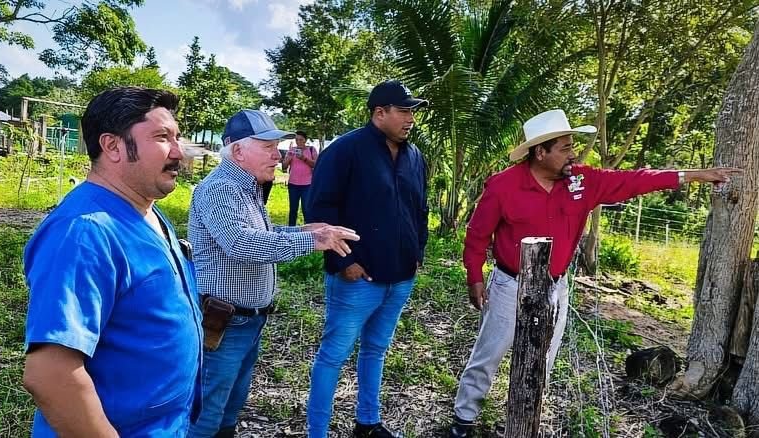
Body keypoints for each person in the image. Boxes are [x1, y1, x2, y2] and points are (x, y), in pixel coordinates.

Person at [449, 109, 742, 438]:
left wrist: (694, 175)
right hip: (509, 284)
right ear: (540, 152)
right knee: (489, 353)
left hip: (554, 288)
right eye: (564, 147)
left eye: (572, 146)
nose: (571, 154)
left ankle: (522, 418)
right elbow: (477, 236)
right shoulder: (504, 186)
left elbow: (634, 181)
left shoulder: (581, 181)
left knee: (543, 359)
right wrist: (474, 276)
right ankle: (464, 419)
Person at [22, 87, 203, 436]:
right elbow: (50, 374)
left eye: (177, 137)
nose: (179, 152)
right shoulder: (84, 233)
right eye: (163, 137)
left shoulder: (148, 211)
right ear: (113, 146)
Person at [187, 109, 360, 438]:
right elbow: (241, 244)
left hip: (245, 321)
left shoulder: (245, 188)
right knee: (206, 415)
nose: (277, 154)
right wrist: (312, 240)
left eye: (276, 145)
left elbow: (261, 232)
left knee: (229, 408)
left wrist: (303, 230)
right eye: (267, 146)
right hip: (225, 323)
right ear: (238, 151)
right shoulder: (220, 189)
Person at [305, 79, 430, 438]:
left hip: (401, 275)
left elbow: (418, 209)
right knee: (333, 355)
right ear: (380, 113)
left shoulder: (414, 156)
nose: (410, 119)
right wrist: (345, 263)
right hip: (357, 278)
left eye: (412, 112)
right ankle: (318, 432)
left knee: (376, 349)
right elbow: (320, 208)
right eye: (404, 111)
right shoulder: (346, 151)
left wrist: (417, 252)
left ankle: (368, 423)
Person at [282, 130, 317, 225]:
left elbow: (316, 164)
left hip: (307, 184)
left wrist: (303, 158)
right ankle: (291, 230)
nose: (298, 142)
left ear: (305, 140)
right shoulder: (291, 150)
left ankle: (308, 229)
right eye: (297, 140)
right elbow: (284, 167)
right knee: (293, 209)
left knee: (306, 209)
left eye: (301, 140)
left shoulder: (311, 149)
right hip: (293, 184)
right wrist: (288, 159)